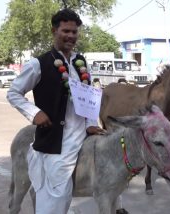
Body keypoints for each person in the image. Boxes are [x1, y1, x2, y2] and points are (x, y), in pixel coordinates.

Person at [7, 9, 104, 214]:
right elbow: (14, 93)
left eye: (75, 32)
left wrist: (91, 124)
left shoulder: (81, 63)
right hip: (57, 142)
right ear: (54, 31)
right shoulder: (38, 64)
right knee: (54, 197)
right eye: (66, 31)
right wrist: (34, 114)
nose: (71, 36)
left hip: (83, 139)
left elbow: (89, 99)